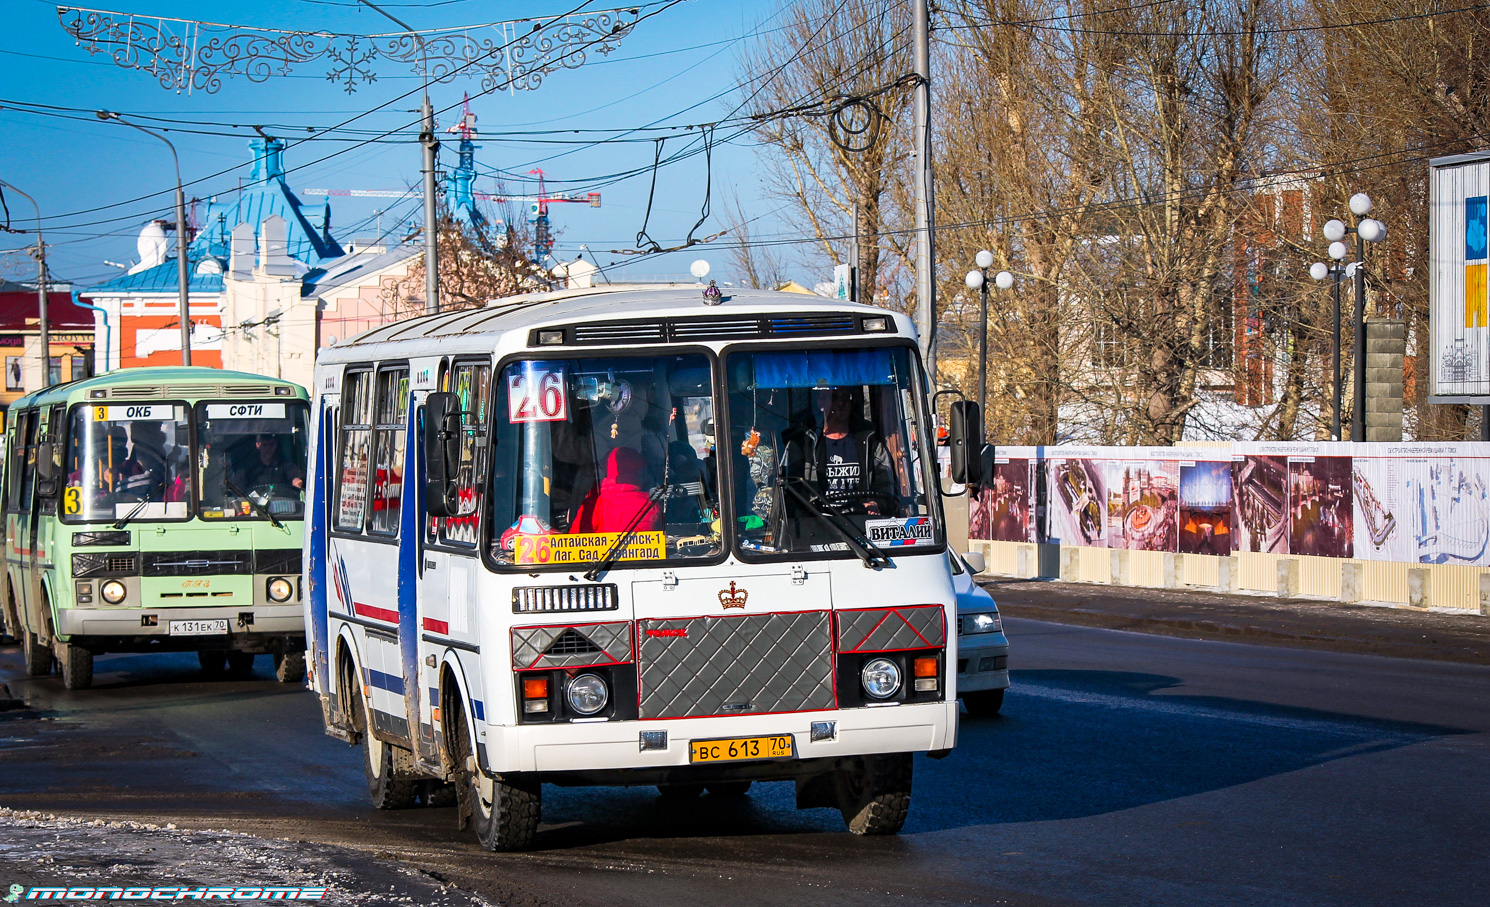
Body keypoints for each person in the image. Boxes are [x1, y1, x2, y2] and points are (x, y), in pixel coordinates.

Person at [783, 386, 896, 515]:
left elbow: (886, 487)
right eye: (834, 397)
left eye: (845, 397)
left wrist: (877, 504)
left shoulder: (871, 445)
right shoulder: (801, 446)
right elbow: (789, 495)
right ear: (821, 402)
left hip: (861, 525)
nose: (841, 403)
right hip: (816, 528)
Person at [571, 446, 663, 533]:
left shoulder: (594, 503)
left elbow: (576, 541)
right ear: (638, 470)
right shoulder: (652, 503)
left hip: (606, 550)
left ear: (606, 469)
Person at [232, 434, 304, 493]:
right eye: (265, 445)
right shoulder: (247, 465)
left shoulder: (283, 463)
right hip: (253, 504)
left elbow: (295, 474)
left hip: (279, 503)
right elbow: (238, 487)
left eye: (271, 444)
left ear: (276, 445)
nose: (268, 448)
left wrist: (296, 480)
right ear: (257, 445)